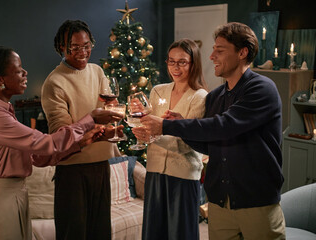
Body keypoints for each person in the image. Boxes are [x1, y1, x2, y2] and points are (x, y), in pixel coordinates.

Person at [139, 22, 286, 239]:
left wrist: (167, 126)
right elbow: (207, 142)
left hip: (256, 202)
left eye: (220, 50)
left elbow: (224, 126)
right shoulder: (216, 96)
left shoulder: (262, 89)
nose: (211, 56)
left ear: (242, 53)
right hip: (219, 204)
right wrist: (182, 127)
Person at [0, 46, 122, 240]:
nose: (25, 73)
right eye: (19, 69)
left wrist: (81, 143)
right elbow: (46, 143)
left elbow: (36, 157)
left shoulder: (3, 112)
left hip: (12, 197)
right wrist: (91, 119)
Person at [41, 20, 122, 240]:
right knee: (74, 234)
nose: (82, 52)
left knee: (101, 233)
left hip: (101, 166)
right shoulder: (54, 83)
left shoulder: (97, 72)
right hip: (72, 172)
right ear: (62, 48)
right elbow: (61, 135)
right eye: (75, 47)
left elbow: (108, 112)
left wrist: (111, 130)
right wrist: (95, 121)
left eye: (87, 46)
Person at [132, 38, 207, 240]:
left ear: (193, 64)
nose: (176, 67)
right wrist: (140, 119)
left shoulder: (200, 97)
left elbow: (186, 143)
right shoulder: (158, 91)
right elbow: (148, 126)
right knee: (155, 232)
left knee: (180, 233)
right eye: (171, 61)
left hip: (183, 175)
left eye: (182, 61)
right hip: (155, 171)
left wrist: (153, 136)